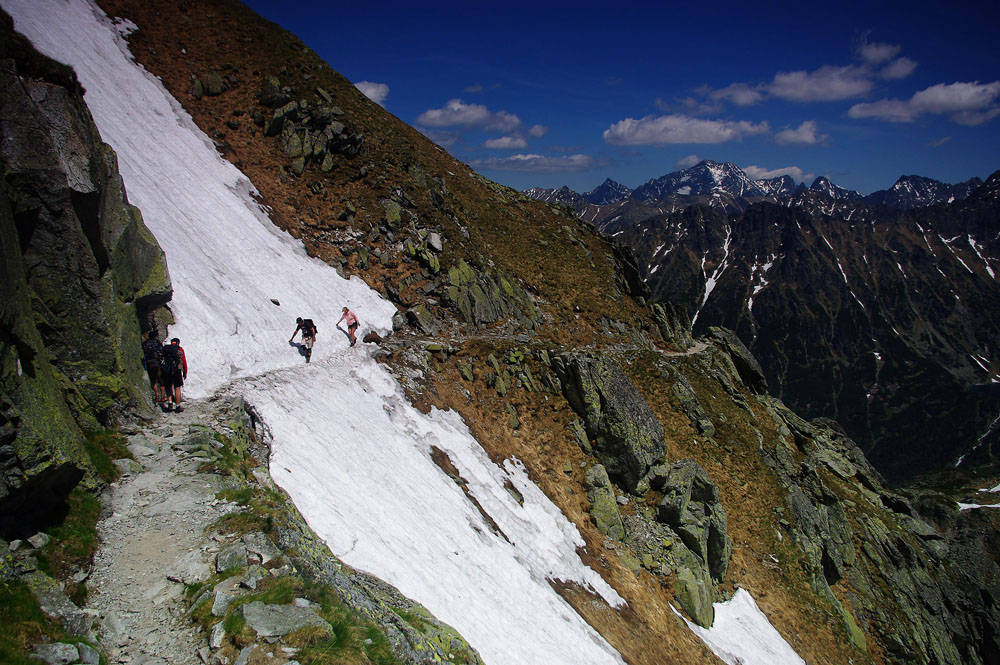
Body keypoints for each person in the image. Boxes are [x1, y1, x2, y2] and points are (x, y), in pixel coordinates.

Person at [160, 337, 187, 412]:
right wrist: (185, 372)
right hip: (176, 370)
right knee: (177, 388)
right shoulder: (179, 349)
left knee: (168, 386)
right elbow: (184, 362)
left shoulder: (166, 349)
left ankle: (170, 404)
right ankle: (178, 406)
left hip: (167, 370)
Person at [141, 330, 167, 404]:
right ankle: (163, 396)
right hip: (159, 363)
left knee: (153, 381)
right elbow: (162, 351)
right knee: (161, 380)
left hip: (150, 363)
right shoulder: (158, 343)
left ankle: (157, 395)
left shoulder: (145, 344)